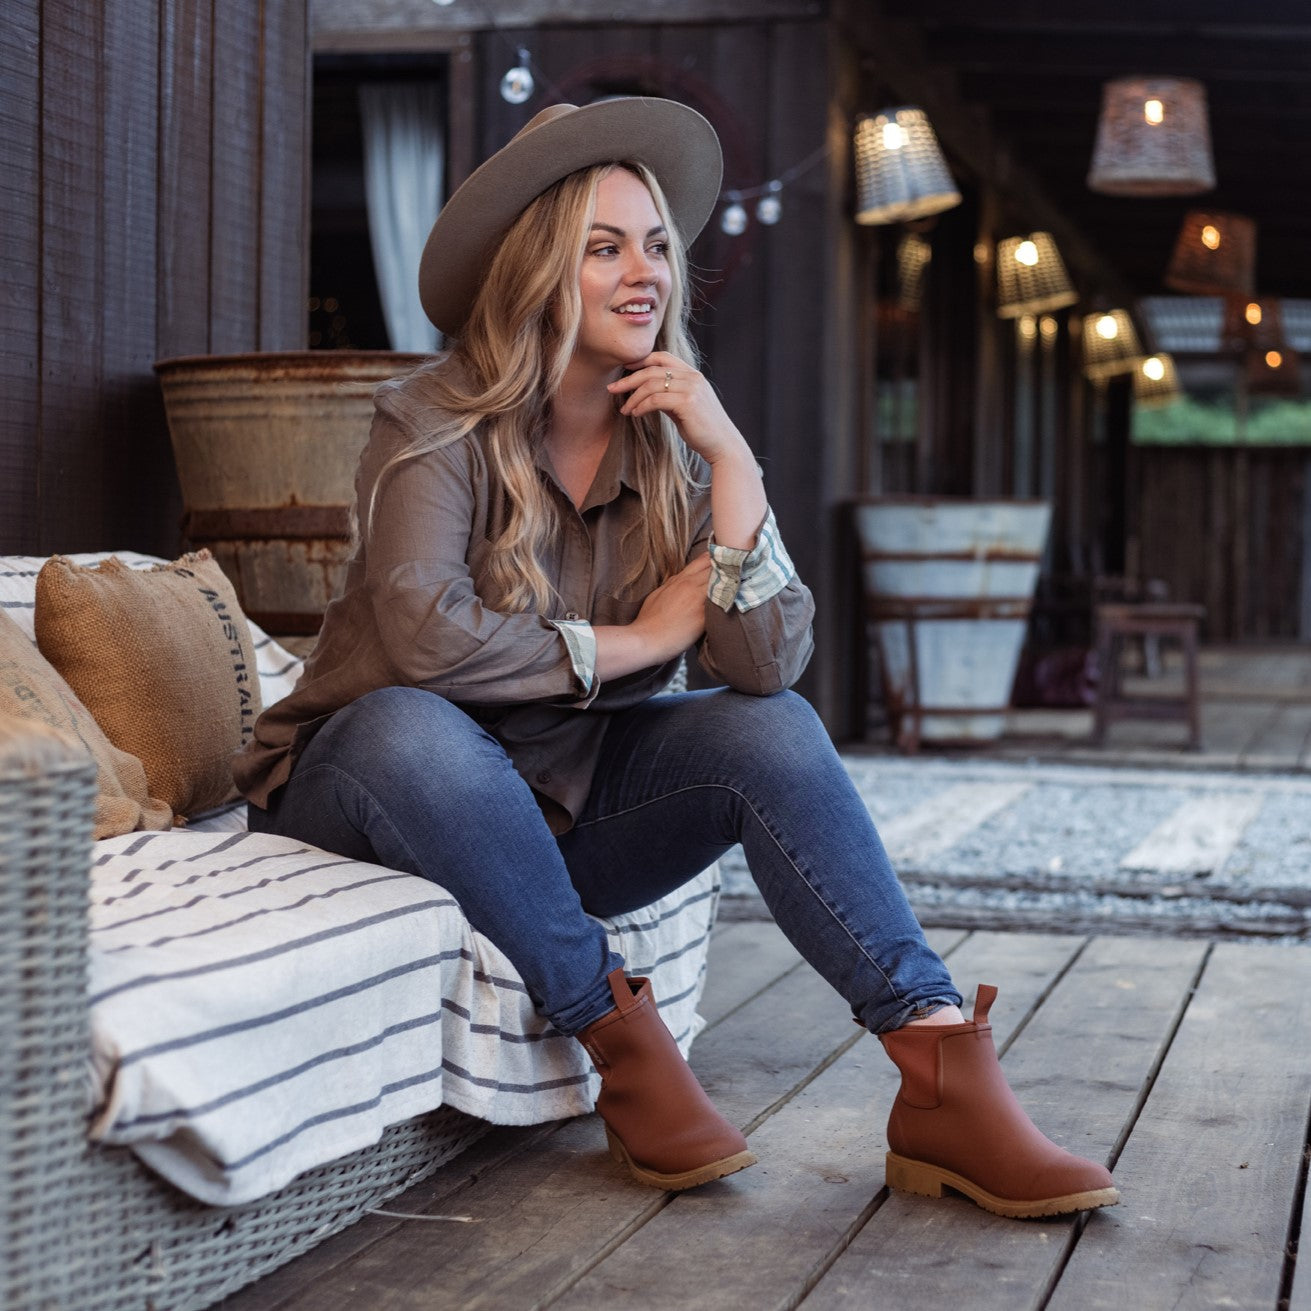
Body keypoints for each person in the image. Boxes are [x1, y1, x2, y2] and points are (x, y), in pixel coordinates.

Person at [234, 97, 1117, 1219]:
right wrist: (644, 639)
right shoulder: (432, 421)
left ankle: (940, 1065)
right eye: (603, 248)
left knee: (771, 732)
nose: (643, 272)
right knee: (409, 722)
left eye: (656, 246)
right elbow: (420, 636)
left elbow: (765, 666)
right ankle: (625, 1048)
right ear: (541, 272)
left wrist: (736, 468)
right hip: (368, 798)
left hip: (547, 817)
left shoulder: (675, 448)